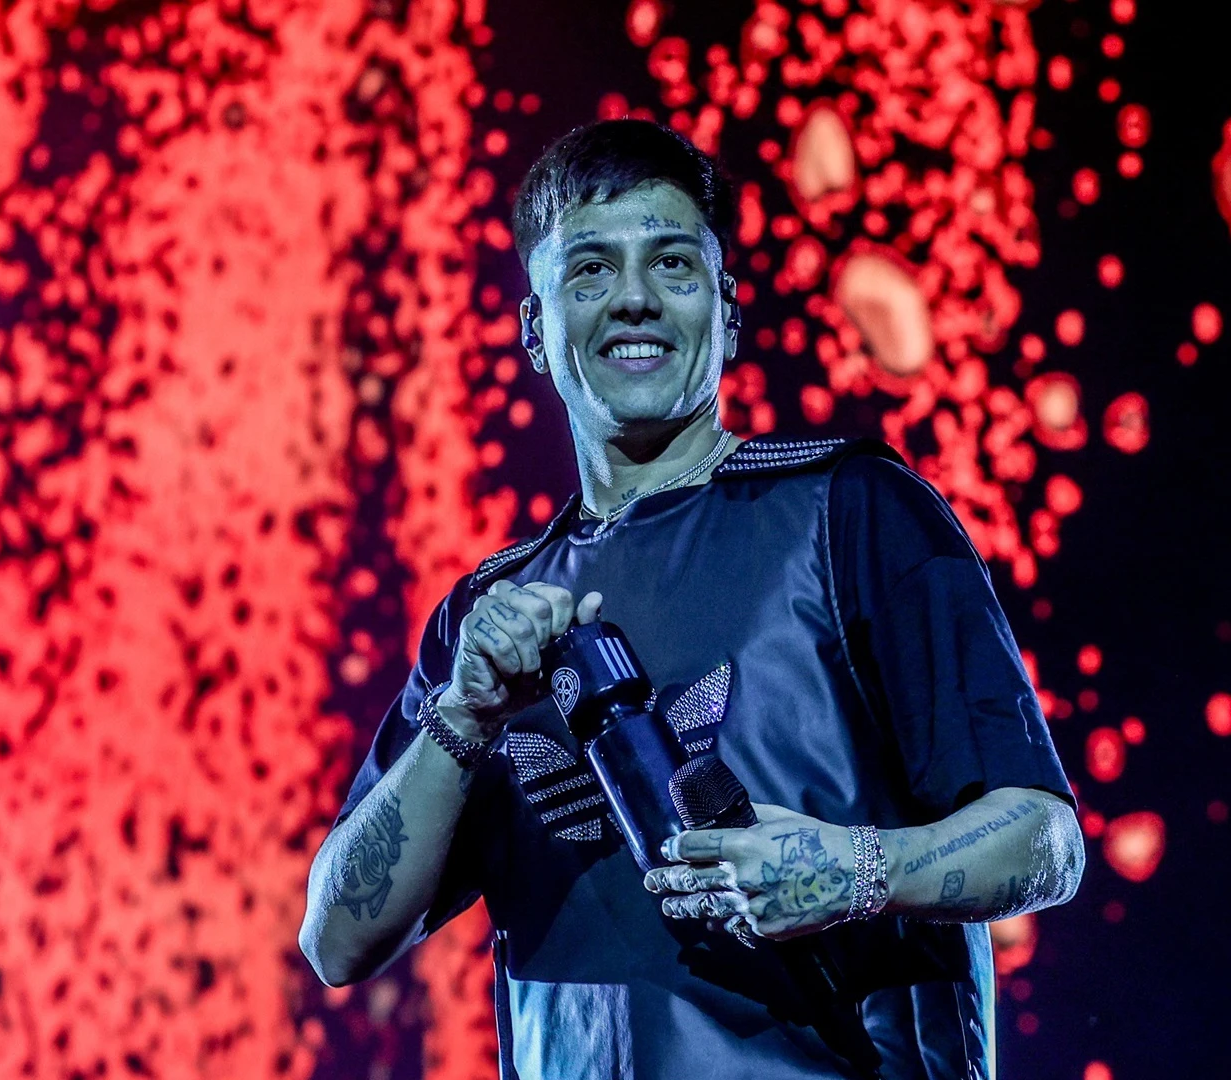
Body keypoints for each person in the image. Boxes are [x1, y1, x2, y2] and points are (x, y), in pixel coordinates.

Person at [300, 119, 1084, 1080]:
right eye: (589, 272)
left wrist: (859, 871)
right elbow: (335, 940)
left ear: (728, 310)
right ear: (536, 331)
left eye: (672, 265)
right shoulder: (489, 618)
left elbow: (1046, 842)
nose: (633, 298)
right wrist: (461, 717)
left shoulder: (851, 512)